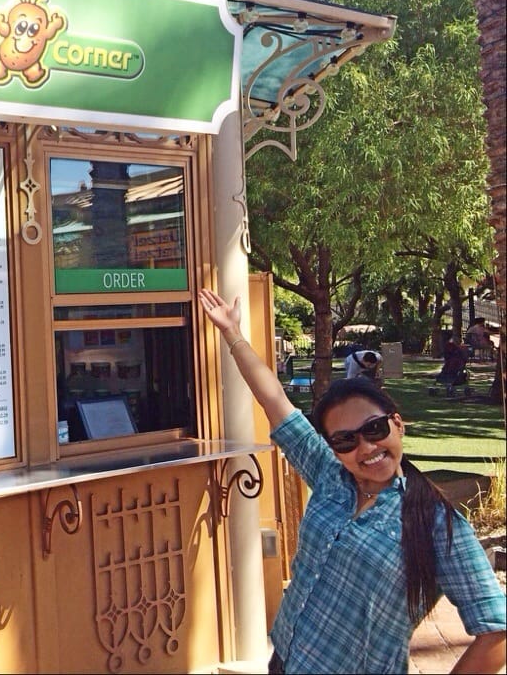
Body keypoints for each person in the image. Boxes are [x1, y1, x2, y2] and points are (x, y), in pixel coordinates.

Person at [198, 288, 506, 675]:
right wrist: (233, 334)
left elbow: (497, 631)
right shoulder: (331, 475)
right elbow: (274, 399)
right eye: (346, 440)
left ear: (397, 424)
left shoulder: (436, 524)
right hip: (287, 661)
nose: (366, 448)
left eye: (374, 429)